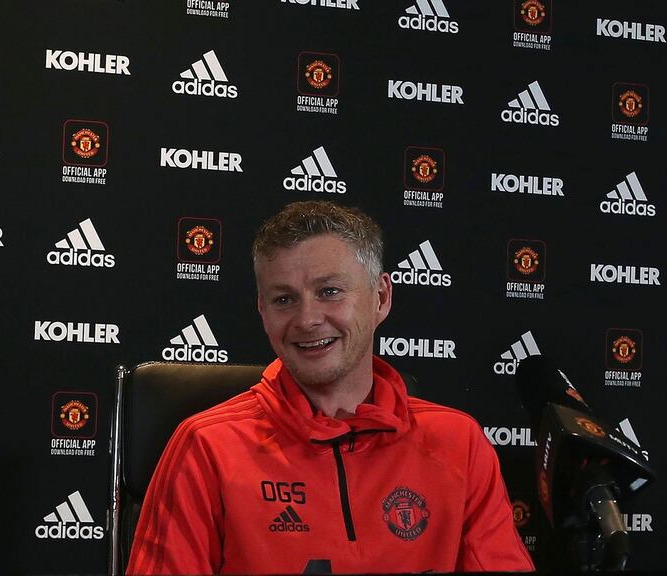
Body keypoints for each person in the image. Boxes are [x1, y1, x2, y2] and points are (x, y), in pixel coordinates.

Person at [127, 200, 535, 575]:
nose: (307, 319)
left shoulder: (458, 442)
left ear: (380, 297)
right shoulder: (206, 445)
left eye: (329, 292)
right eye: (284, 299)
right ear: (262, 311)